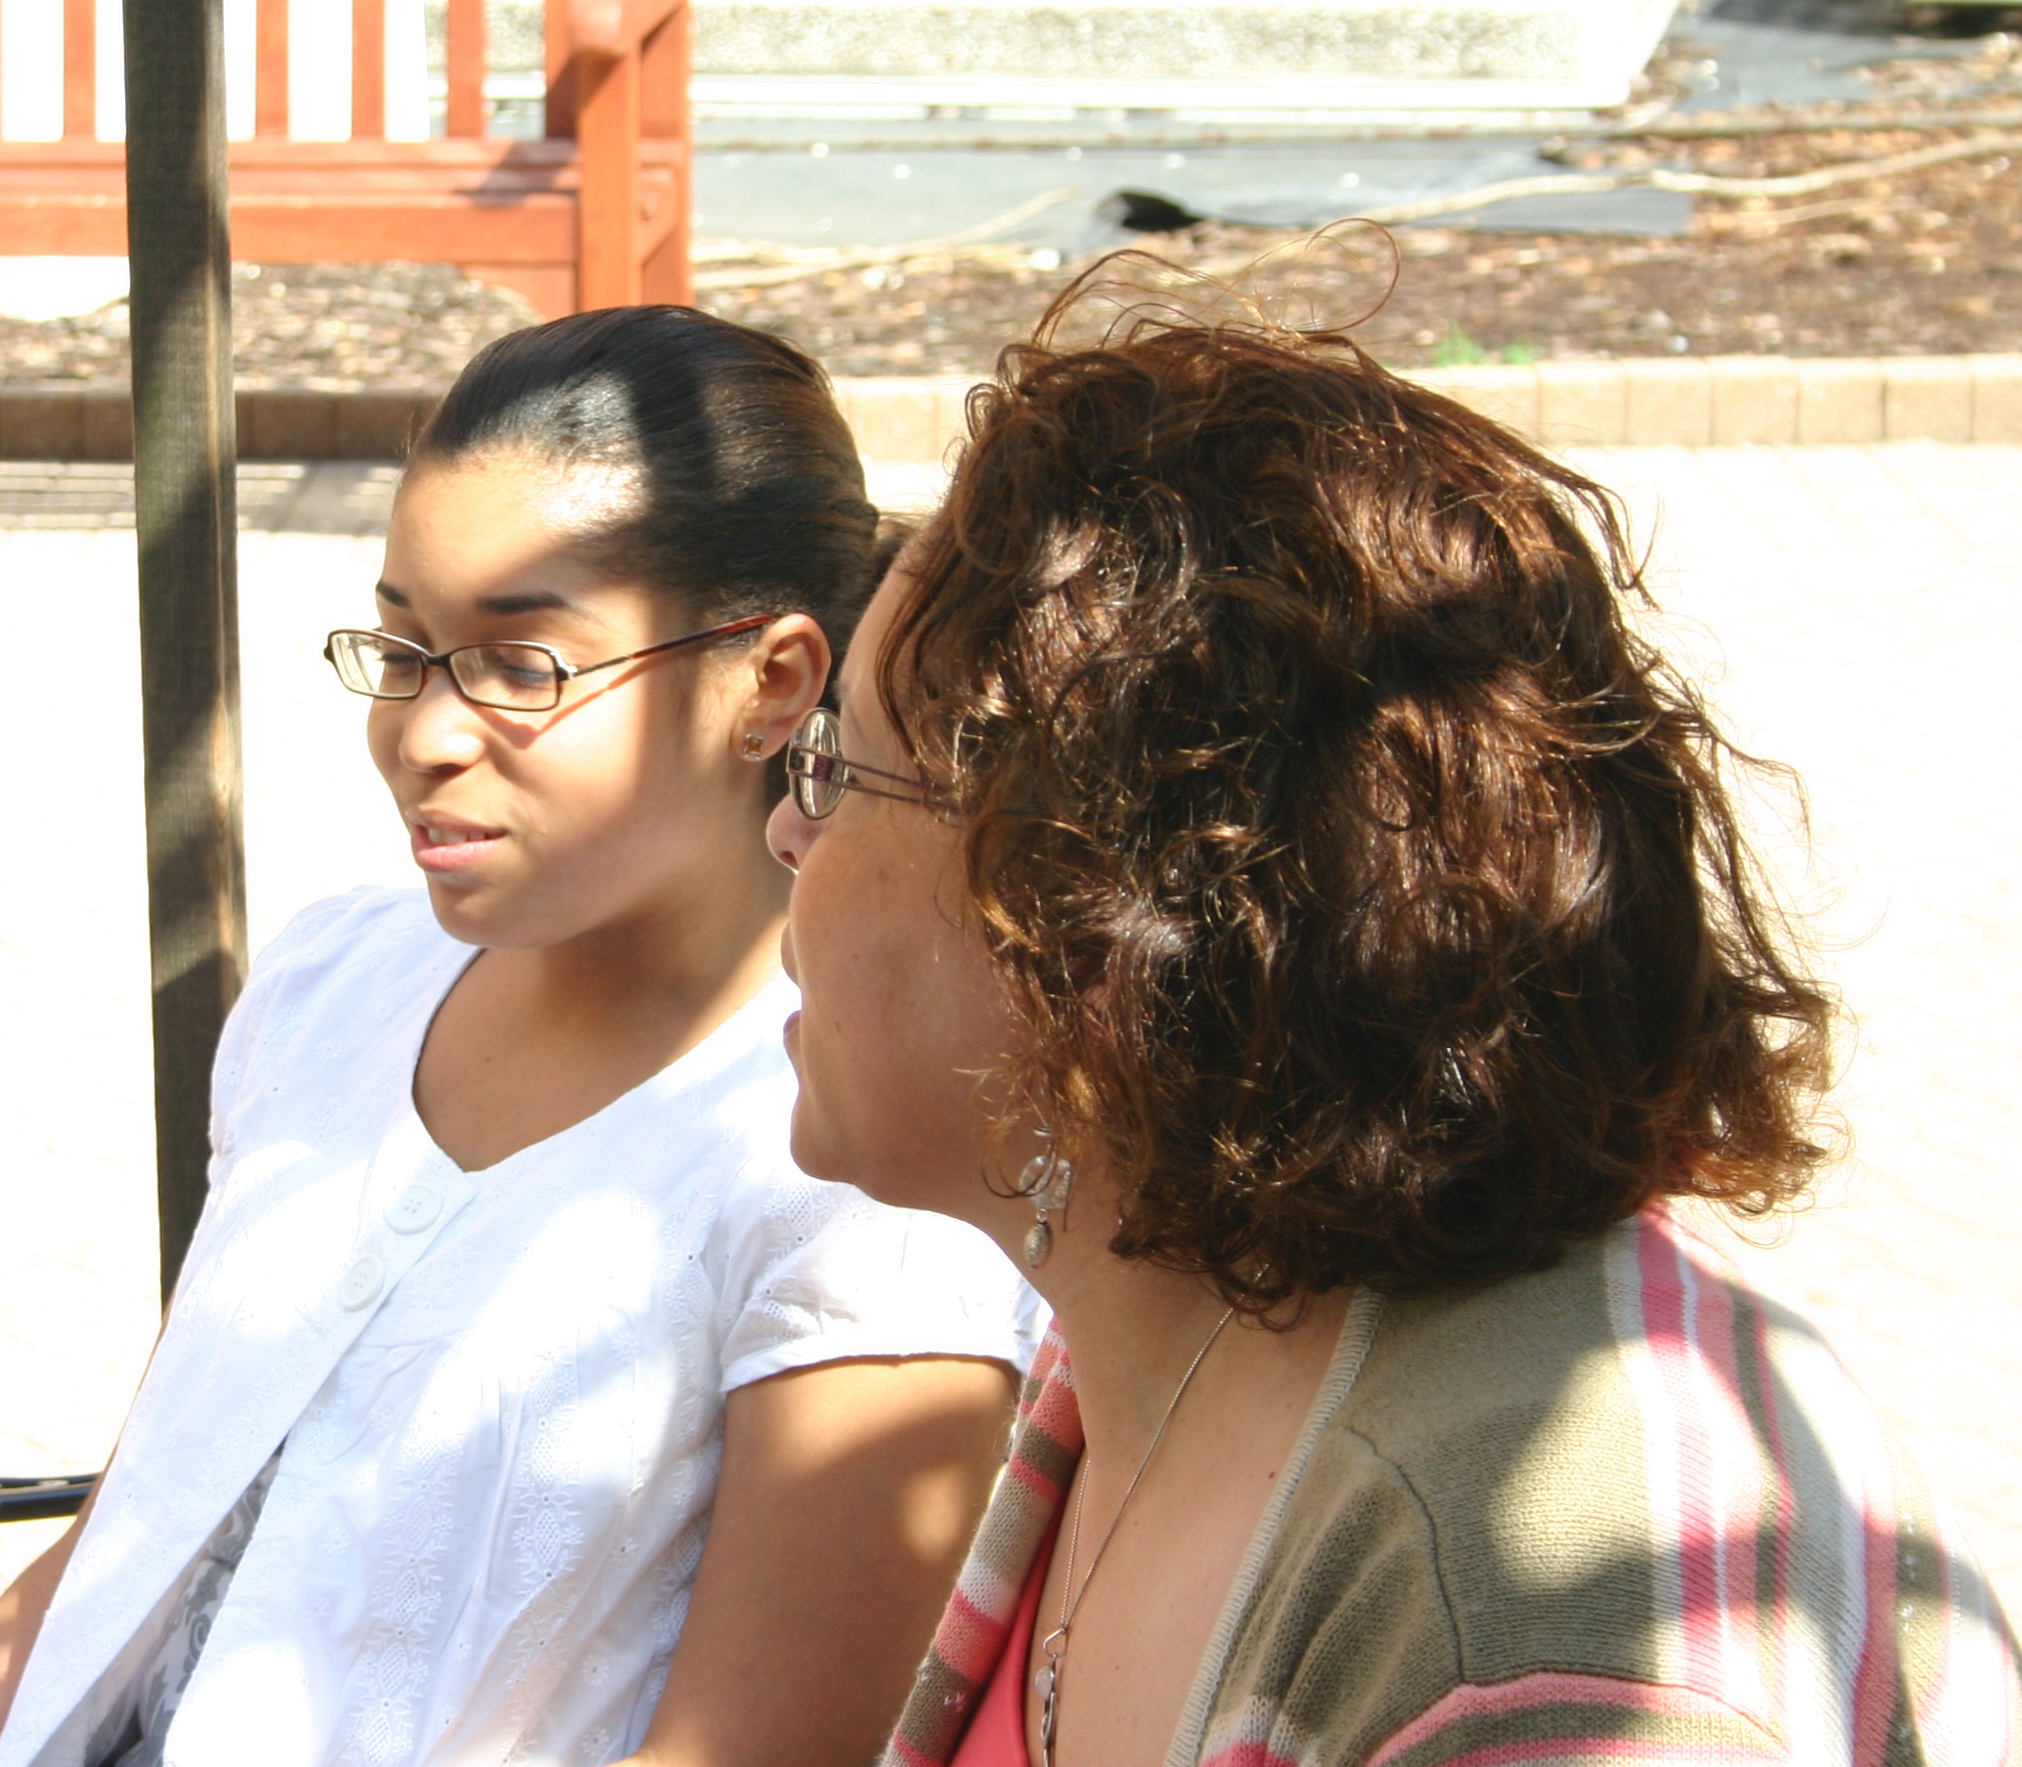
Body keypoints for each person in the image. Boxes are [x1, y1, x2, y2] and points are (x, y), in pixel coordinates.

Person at [764, 284, 2022, 1767]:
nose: (786, 829)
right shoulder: (1173, 1311)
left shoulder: (1546, 1631)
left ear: (1089, 919)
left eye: (837, 765)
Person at [0, 305, 1048, 1767]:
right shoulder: (337, 986)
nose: (421, 734)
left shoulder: (863, 1173)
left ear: (772, 681)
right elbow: (138, 1534)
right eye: (407, 644)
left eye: (519, 662)